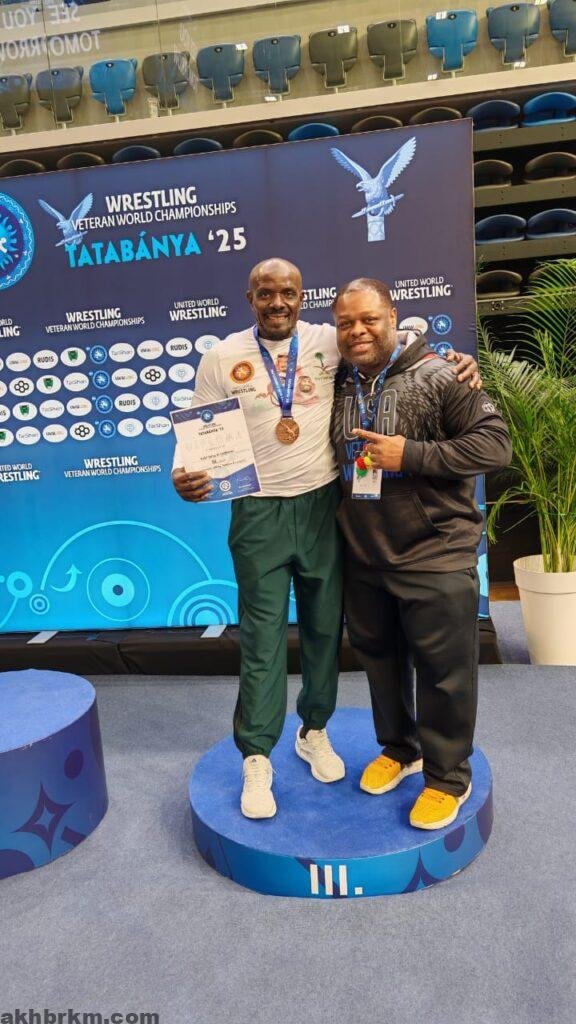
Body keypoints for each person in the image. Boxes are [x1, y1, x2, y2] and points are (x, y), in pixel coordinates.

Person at [172, 258, 482, 820]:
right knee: (262, 637)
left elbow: (391, 344)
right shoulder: (222, 356)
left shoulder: (328, 341)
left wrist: (456, 362)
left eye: (288, 293)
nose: (278, 303)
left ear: (301, 297)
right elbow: (198, 430)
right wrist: (183, 475)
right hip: (259, 510)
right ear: (249, 298)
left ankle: (313, 729)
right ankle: (256, 755)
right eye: (266, 293)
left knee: (323, 631)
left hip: (323, 507)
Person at [330, 277, 511, 829]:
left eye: (369, 319)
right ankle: (400, 749)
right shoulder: (337, 378)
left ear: (393, 317)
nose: (358, 331)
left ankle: (448, 777)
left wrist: (410, 454)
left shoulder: (443, 373)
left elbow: (495, 445)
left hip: (435, 552)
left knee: (444, 673)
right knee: (380, 662)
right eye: (346, 323)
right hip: (365, 554)